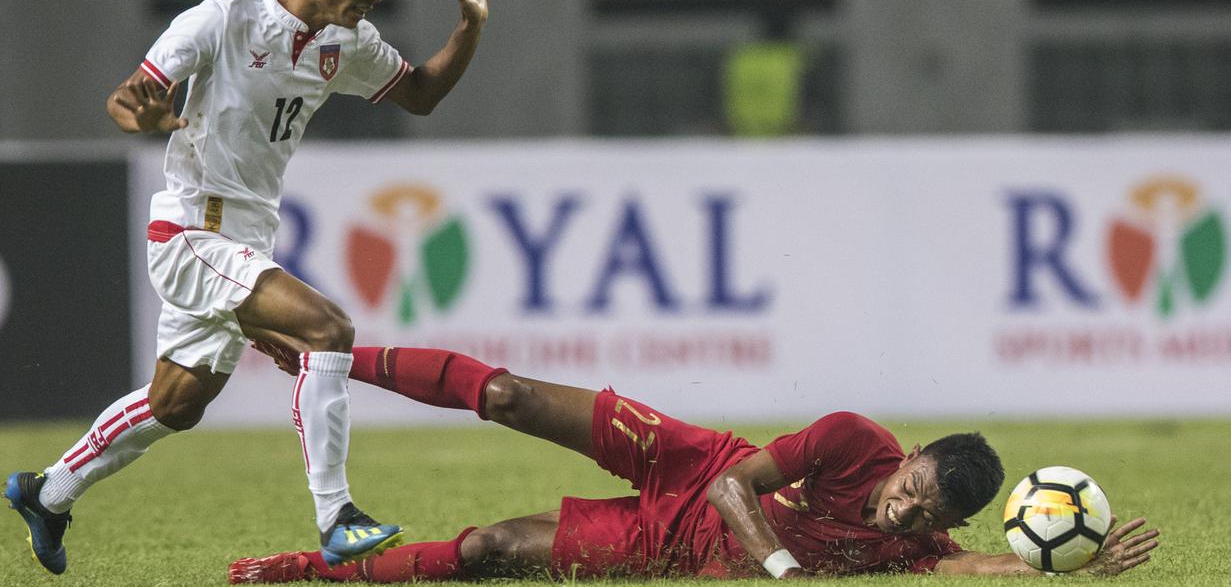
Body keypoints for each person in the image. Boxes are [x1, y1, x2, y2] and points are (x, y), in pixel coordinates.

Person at [5, 0, 488, 576]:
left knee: (176, 403)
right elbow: (126, 98)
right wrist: (142, 119)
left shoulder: (345, 44)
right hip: (191, 233)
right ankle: (337, 516)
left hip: (245, 240)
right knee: (328, 330)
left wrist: (470, 25)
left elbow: (420, 94)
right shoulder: (220, 22)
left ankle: (47, 492)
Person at [228, 344, 1160, 582]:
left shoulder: (920, 546)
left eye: (921, 520)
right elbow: (729, 483)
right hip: (692, 461)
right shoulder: (846, 436)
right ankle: (331, 362)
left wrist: (1060, 565)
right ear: (906, 457)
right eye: (907, 494)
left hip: (674, 547)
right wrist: (782, 565)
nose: (899, 519)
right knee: (508, 396)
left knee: (492, 554)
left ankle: (310, 568)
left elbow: (976, 564)